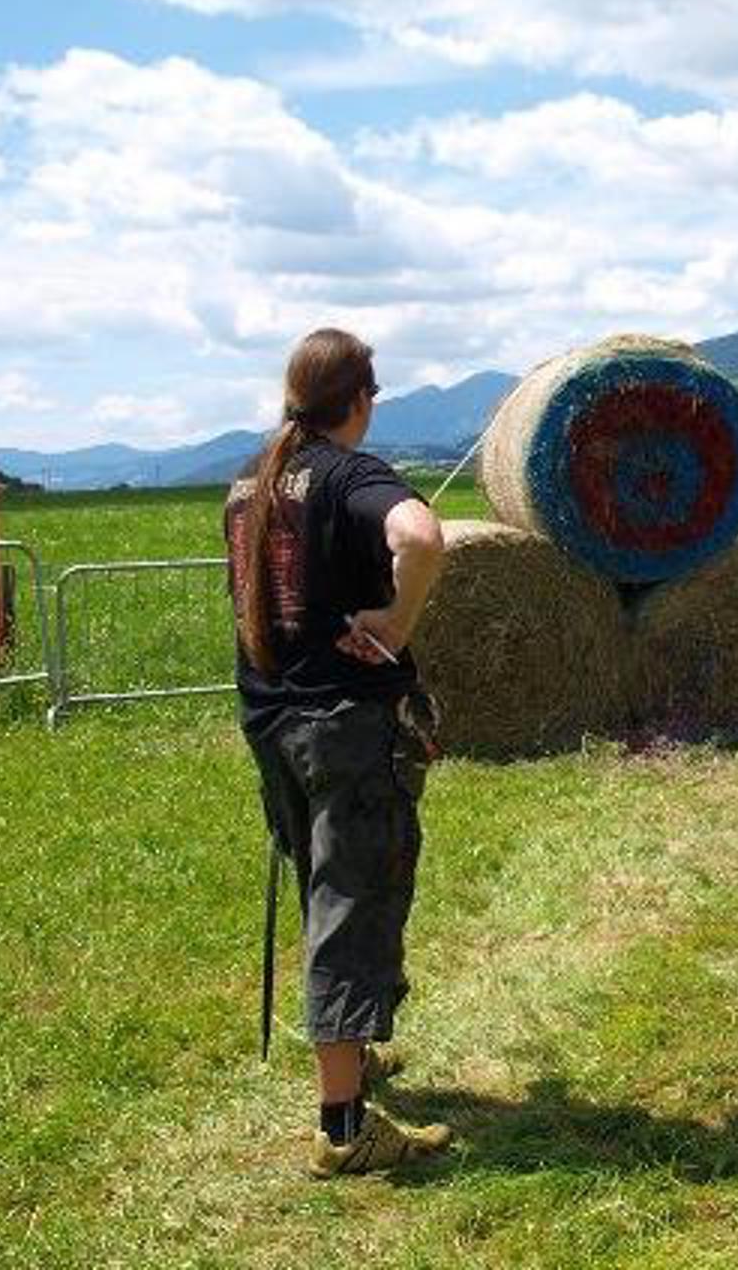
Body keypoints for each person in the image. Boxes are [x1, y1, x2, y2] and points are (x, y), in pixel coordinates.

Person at [224, 327, 451, 1176]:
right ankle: (344, 1128)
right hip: (344, 726)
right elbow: (423, 537)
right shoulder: (350, 471)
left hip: (272, 719)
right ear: (359, 398)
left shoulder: (252, 475)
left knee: (328, 887)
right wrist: (397, 622)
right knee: (350, 903)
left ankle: (354, 1060)